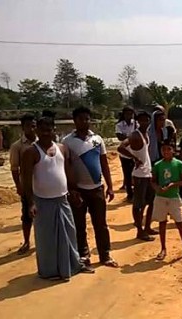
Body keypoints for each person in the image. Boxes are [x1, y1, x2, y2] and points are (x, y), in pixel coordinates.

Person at [21, 117, 94, 280]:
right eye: (43, 128)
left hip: (63, 200)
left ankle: (72, 266)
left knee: (68, 234)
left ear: (54, 129)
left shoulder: (62, 148)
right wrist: (31, 203)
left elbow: (67, 172)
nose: (47, 131)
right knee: (47, 239)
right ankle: (49, 271)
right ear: (37, 131)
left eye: (50, 128)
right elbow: (26, 179)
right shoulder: (30, 152)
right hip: (43, 202)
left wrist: (74, 191)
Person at [62, 106, 118, 268]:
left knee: (101, 224)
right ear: (75, 120)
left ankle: (105, 254)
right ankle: (84, 256)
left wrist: (110, 186)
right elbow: (66, 166)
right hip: (78, 190)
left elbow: (104, 163)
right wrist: (71, 189)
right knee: (79, 225)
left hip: (97, 188)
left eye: (87, 119)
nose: (85, 122)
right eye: (81, 119)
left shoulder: (98, 139)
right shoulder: (67, 142)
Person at [118, 111, 156, 241]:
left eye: (147, 120)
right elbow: (121, 147)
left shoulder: (146, 134)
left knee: (151, 202)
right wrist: (134, 158)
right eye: (142, 120)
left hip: (147, 172)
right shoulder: (135, 135)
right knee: (138, 205)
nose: (145, 122)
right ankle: (140, 230)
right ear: (138, 121)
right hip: (139, 175)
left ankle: (147, 227)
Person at [151, 141, 182, 260]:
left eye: (168, 149)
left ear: (173, 150)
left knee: (179, 223)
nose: (166, 152)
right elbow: (153, 180)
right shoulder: (158, 165)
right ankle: (163, 248)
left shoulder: (179, 164)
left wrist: (173, 184)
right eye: (163, 150)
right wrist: (157, 188)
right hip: (161, 197)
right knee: (162, 222)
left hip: (174, 197)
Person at [9, 114, 37, 255]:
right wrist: (19, 186)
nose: (32, 129)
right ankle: (26, 241)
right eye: (28, 126)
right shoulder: (17, 146)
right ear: (23, 127)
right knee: (27, 216)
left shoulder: (43, 142)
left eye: (33, 125)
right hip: (28, 187)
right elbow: (15, 169)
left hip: (43, 186)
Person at [115, 107, 137, 200]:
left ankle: (136, 192)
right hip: (124, 154)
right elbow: (120, 137)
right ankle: (129, 194)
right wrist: (132, 137)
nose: (129, 116)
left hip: (136, 153)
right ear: (124, 115)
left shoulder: (136, 123)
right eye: (127, 114)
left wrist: (127, 137)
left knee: (136, 174)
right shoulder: (119, 125)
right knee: (127, 174)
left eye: (130, 114)